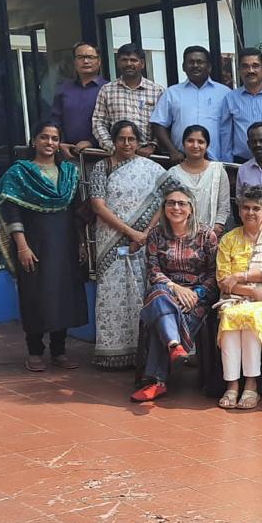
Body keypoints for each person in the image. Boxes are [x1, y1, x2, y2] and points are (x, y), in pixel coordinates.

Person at [0, 120, 87, 372]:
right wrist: (22, 246)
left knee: (63, 295)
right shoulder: (20, 173)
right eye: (44, 137)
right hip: (34, 244)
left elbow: (77, 212)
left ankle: (59, 351)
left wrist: (82, 243)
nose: (49, 143)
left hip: (65, 243)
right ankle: (34, 351)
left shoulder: (69, 174)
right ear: (34, 141)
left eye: (54, 138)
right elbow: (11, 212)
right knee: (35, 295)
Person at [88, 120, 165, 368]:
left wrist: (146, 233)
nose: (127, 143)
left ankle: (143, 352)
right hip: (110, 241)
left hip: (143, 242)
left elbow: (169, 197)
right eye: (122, 139)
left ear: (139, 141)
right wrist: (131, 232)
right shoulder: (102, 167)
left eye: (132, 139)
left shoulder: (152, 169)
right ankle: (112, 353)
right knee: (112, 294)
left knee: (141, 291)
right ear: (113, 140)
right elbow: (98, 206)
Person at [132, 185, 218, 402]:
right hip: (166, 290)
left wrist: (197, 293)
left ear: (191, 208)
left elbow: (214, 272)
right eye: (171, 203)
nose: (176, 207)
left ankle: (155, 380)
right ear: (164, 207)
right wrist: (176, 288)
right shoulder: (155, 235)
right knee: (160, 295)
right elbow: (154, 271)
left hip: (196, 298)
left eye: (182, 203)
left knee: (160, 315)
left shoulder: (206, 235)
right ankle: (174, 346)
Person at [215, 185, 262, 410]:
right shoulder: (229, 239)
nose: (250, 213)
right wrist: (251, 291)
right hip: (235, 298)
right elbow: (222, 280)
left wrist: (239, 276)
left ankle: (251, 384)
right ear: (239, 211)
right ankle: (231, 385)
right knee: (231, 314)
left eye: (256, 208)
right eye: (246, 208)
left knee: (250, 316)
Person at [151, 46, 230, 163]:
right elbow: (158, 124)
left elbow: (229, 129)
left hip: (215, 161)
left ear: (209, 67)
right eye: (191, 62)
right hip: (181, 160)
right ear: (183, 67)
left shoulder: (224, 93)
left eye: (200, 62)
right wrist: (172, 151)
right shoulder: (172, 93)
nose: (195, 66)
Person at [218, 47, 262, 163]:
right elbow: (225, 136)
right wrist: (228, 166)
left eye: (255, 66)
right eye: (245, 66)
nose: (250, 70)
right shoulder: (230, 99)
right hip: (241, 163)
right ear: (239, 70)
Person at [92, 42, 165, 156]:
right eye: (124, 60)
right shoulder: (107, 90)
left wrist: (153, 146)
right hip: (117, 156)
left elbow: (163, 123)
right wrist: (112, 147)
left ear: (142, 64)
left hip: (148, 156)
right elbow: (98, 122)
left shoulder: (157, 91)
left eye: (133, 60)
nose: (129, 64)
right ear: (118, 63)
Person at [161, 125, 231, 235]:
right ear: (183, 144)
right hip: (179, 236)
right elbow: (168, 206)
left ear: (207, 145)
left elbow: (224, 205)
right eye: (190, 141)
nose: (195, 145)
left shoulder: (218, 171)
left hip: (211, 236)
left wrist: (216, 229)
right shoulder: (173, 173)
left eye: (200, 142)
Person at [50, 42, 107, 157]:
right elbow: (55, 120)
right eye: (80, 57)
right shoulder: (63, 89)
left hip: (101, 153)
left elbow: (113, 123)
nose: (85, 61)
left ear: (99, 61)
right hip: (68, 153)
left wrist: (91, 142)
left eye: (90, 57)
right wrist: (60, 143)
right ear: (74, 62)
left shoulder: (108, 89)